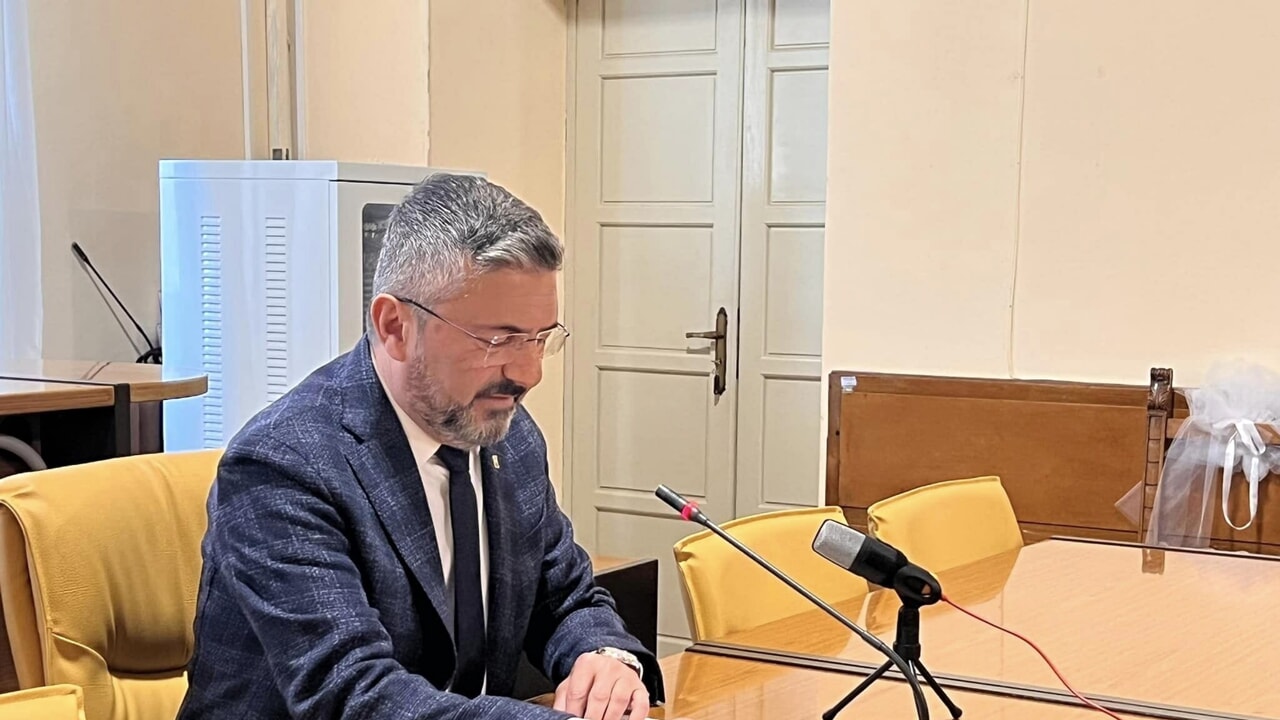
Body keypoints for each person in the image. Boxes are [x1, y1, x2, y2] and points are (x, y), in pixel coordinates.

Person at [177, 174, 663, 720]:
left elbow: (566, 596)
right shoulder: (284, 466)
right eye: (498, 340)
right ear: (395, 326)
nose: (529, 374)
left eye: (540, 339)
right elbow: (353, 694)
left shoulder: (509, 434)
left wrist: (606, 657)